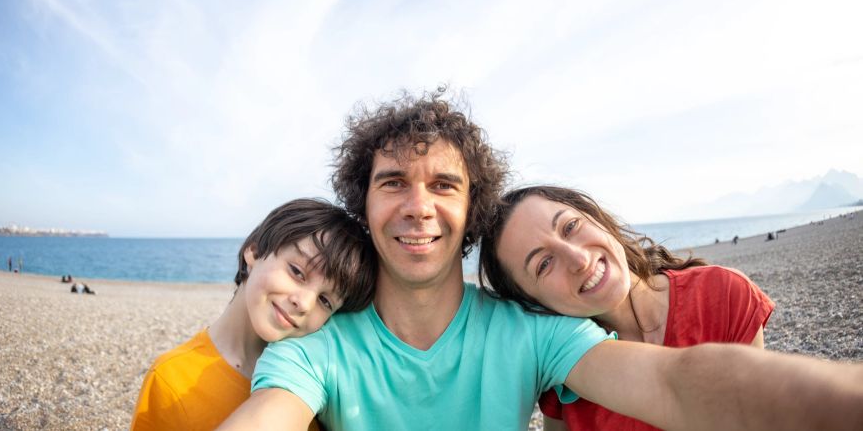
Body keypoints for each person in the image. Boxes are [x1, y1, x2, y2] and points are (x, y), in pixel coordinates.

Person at [220, 88, 863, 431]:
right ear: (364, 202)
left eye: (443, 184)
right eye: (393, 182)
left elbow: (674, 382)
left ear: (472, 210)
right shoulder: (315, 349)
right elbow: (270, 415)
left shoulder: (530, 332)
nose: (418, 206)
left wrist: (838, 403)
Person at [478, 186, 775, 431]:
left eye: (570, 226)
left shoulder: (722, 295)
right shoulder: (563, 377)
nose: (579, 259)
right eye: (544, 264)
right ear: (534, 304)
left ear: (595, 217)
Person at [131, 199, 377, 431]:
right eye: (297, 272)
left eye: (325, 300)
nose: (304, 303)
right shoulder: (170, 378)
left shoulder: (319, 376)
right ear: (254, 251)